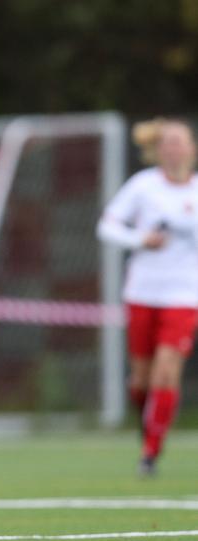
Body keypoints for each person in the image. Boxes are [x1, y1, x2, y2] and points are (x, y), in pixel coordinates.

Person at [97, 118, 198, 476]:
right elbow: (106, 227)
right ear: (157, 149)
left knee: (166, 372)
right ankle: (149, 424)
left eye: (180, 142)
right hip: (142, 292)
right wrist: (141, 240)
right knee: (141, 380)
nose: (173, 149)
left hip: (185, 296)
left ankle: (150, 453)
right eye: (167, 143)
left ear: (192, 148)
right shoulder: (143, 186)